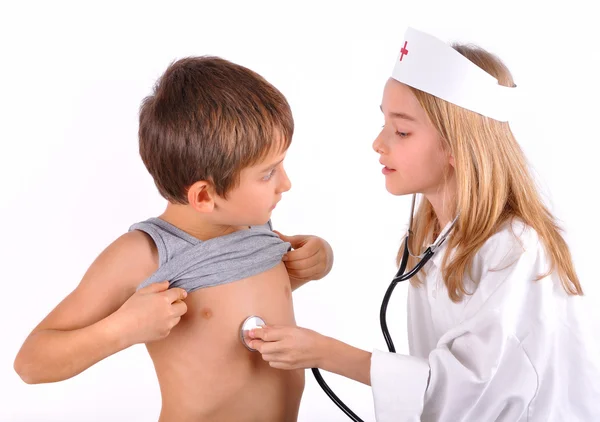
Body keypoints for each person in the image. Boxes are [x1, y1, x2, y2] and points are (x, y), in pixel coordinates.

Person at [248, 28, 600, 421]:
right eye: (384, 123)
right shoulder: (433, 237)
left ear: (455, 146)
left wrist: (323, 352)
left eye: (401, 131)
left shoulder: (515, 249)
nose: (378, 143)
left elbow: (471, 389)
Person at [13, 56, 333, 422]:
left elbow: (237, 298)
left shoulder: (255, 226)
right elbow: (31, 362)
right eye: (268, 173)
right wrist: (123, 328)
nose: (286, 183)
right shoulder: (144, 255)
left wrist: (310, 264)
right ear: (204, 196)